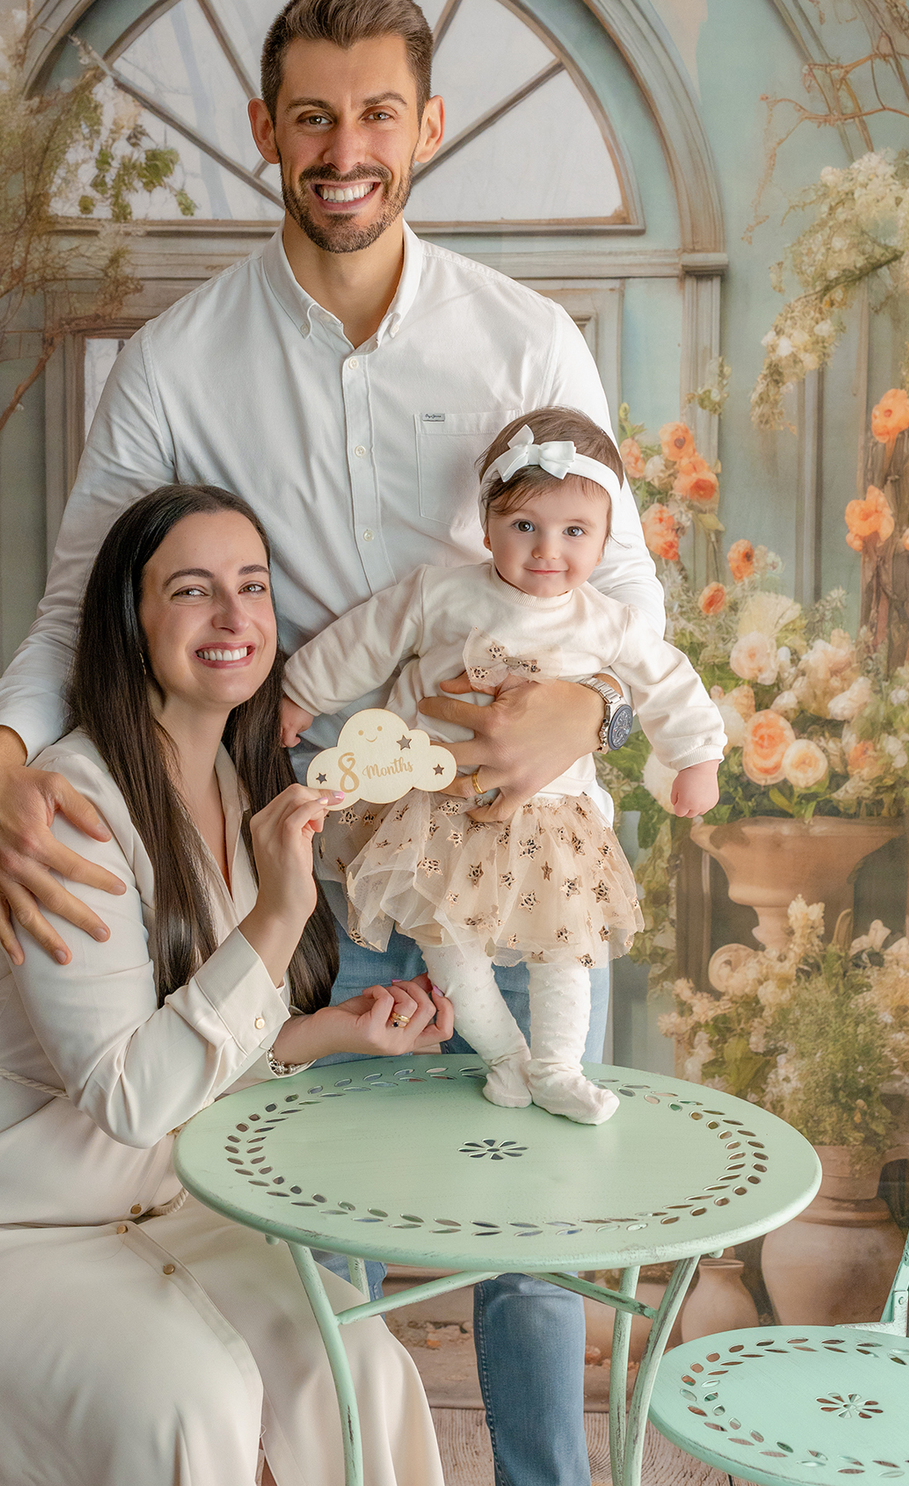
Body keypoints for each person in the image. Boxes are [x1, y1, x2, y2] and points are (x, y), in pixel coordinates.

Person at [0, 0, 668, 1486]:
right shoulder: (178, 359)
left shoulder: (528, 338)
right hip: (303, 869)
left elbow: (625, 601)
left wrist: (589, 706)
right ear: (266, 125)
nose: (347, 146)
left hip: (513, 853)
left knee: (536, 1222)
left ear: (429, 126)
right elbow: (74, 605)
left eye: (379, 113)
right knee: (308, 1226)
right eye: (315, 114)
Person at [0, 487, 449, 1486]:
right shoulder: (68, 808)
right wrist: (275, 914)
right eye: (192, 590)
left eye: (252, 586)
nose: (233, 616)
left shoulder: (233, 781)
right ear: (129, 625)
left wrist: (318, 1037)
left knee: (356, 1367)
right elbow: (131, 1094)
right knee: (188, 1403)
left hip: (142, 1213)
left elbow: (186, 1040)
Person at [281, 406, 724, 1125]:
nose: (548, 550)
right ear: (486, 526)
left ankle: (556, 1066)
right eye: (525, 527)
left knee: (569, 948)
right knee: (449, 945)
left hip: (552, 824)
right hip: (437, 813)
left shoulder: (605, 621)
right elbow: (364, 641)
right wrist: (300, 693)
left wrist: (695, 758)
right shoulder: (443, 593)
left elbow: (668, 682)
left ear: (605, 540)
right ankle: (505, 1061)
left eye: (574, 532)